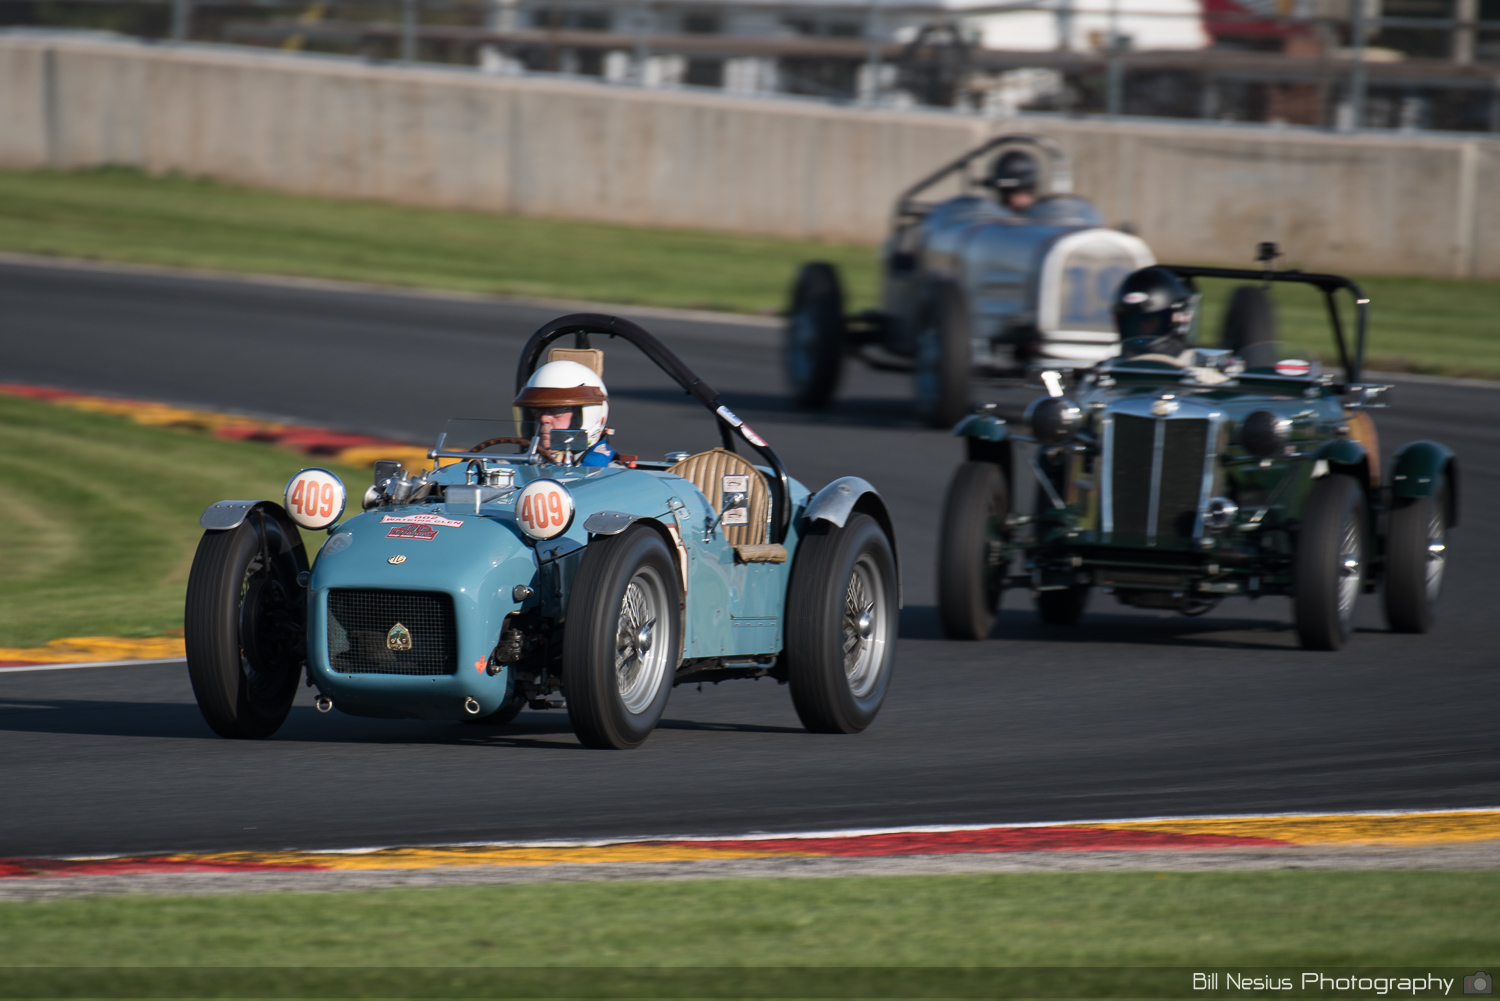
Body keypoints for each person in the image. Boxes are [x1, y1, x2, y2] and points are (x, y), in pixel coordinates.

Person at [512, 359, 618, 466]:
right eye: (537, 410)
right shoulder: (511, 467)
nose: (544, 418)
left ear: (589, 414)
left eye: (557, 409)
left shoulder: (614, 475)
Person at [1111, 266, 1198, 362]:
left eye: (1150, 321)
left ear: (1179, 320)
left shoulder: (1197, 371)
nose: (1142, 328)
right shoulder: (1107, 369)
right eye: (1131, 322)